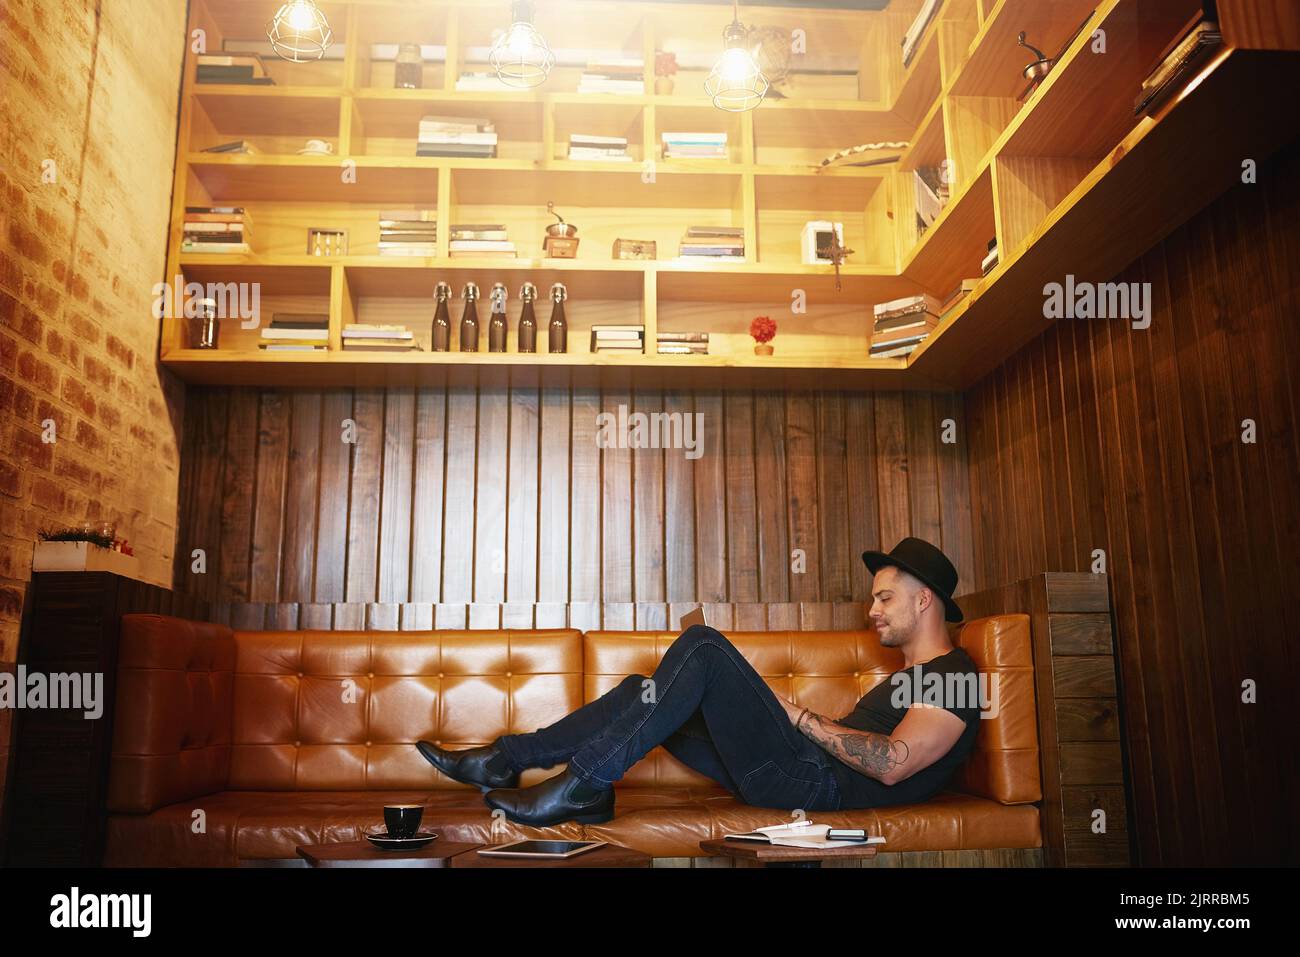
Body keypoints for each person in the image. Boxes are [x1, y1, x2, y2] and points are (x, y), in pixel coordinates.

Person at [416, 537, 984, 827]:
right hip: (795, 774)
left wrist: (795, 715)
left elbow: (893, 764)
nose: (873, 612)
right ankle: (507, 760)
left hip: (813, 787)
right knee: (641, 690)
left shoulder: (954, 676)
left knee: (704, 647)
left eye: (884, 598)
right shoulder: (907, 679)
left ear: (924, 599)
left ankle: (582, 781)